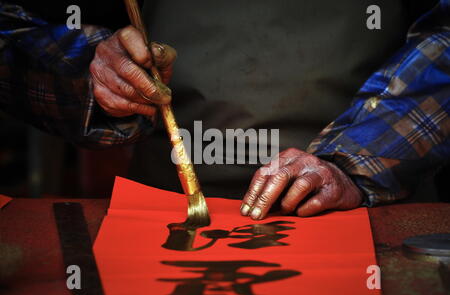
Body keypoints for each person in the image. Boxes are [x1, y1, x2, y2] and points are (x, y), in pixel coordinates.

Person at [0, 1, 449, 220]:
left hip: (368, 203)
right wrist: (98, 69)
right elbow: (22, 27)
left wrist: (356, 162)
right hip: (169, 203)